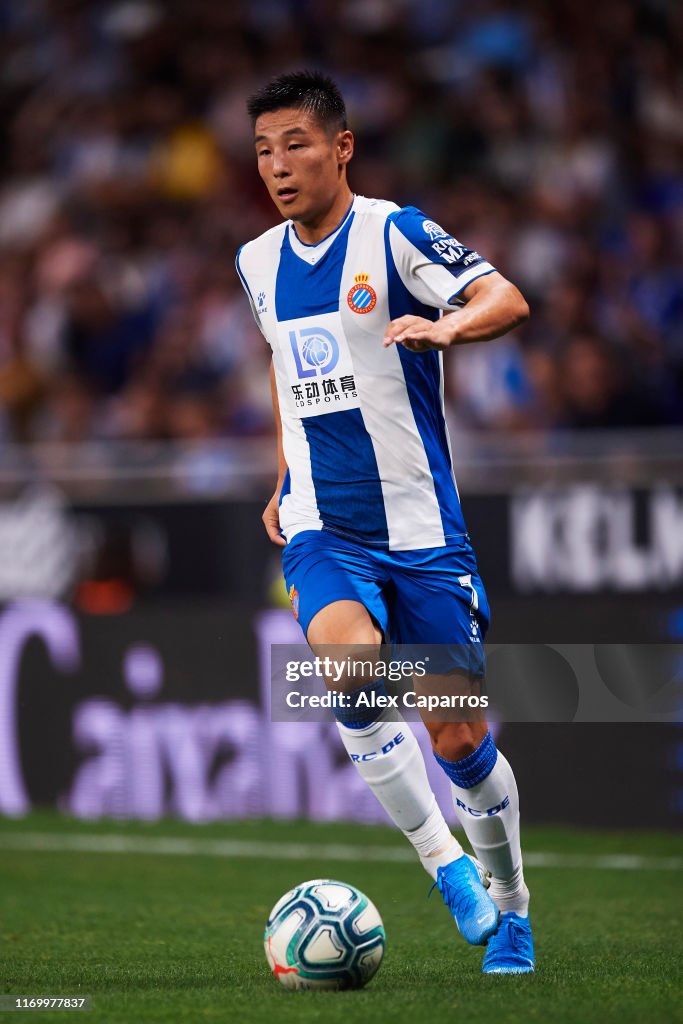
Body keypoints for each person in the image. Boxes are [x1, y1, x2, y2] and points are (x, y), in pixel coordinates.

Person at [236, 70, 534, 974]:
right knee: (350, 665)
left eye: (295, 144)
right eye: (262, 151)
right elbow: (293, 384)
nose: (278, 166)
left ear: (340, 147)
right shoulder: (254, 262)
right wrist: (285, 478)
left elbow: (505, 297)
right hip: (325, 526)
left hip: (422, 532)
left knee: (458, 737)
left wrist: (449, 330)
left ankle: (511, 905)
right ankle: (443, 865)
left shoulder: (396, 232)